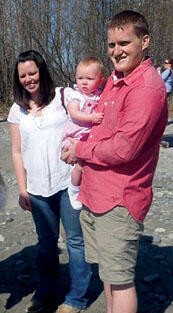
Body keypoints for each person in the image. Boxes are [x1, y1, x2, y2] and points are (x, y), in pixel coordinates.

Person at [62, 11, 167, 313]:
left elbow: (124, 149)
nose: (117, 51)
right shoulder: (115, 82)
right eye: (112, 44)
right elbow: (101, 129)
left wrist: (79, 151)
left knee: (120, 279)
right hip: (97, 192)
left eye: (124, 43)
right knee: (108, 271)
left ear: (144, 41)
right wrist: (78, 149)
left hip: (121, 199)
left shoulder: (147, 88)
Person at [8, 50, 91, 313]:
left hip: (67, 181)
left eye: (32, 73)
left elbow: (90, 113)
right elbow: (17, 151)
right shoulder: (16, 110)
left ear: (42, 71)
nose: (29, 79)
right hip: (37, 188)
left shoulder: (64, 96)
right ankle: (45, 293)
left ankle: (76, 297)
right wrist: (22, 189)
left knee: (75, 241)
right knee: (46, 244)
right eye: (23, 75)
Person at [62, 57, 105, 210]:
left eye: (89, 78)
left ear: (100, 80)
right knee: (80, 166)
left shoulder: (100, 96)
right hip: (75, 135)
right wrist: (91, 118)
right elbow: (73, 113)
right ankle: (73, 190)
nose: (84, 82)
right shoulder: (76, 95)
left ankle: (87, 190)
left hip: (89, 138)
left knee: (90, 166)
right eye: (80, 78)